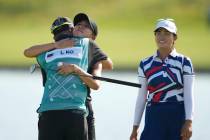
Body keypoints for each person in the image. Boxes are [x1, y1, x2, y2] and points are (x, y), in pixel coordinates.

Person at [24, 14, 112, 140]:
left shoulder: (88, 45)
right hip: (65, 112)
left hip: (74, 109)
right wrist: (57, 45)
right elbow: (28, 52)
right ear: (72, 29)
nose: (80, 27)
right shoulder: (54, 48)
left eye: (86, 26)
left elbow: (106, 68)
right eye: (79, 25)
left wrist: (76, 68)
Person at [130, 19, 195, 140]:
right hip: (154, 115)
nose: (162, 36)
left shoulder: (184, 62)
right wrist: (135, 127)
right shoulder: (145, 64)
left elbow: (188, 94)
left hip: (177, 113)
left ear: (174, 37)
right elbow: (141, 97)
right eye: (158, 32)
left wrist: (189, 121)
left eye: (167, 33)